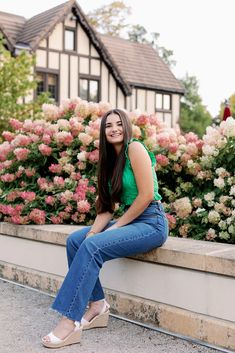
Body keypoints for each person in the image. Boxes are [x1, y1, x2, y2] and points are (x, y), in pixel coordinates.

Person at [42, 108, 168, 348]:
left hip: (152, 221)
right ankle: (97, 304)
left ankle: (69, 321)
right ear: (103, 131)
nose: (114, 129)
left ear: (126, 126)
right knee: (77, 241)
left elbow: (146, 196)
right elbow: (107, 207)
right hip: (132, 220)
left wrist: (116, 227)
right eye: (108, 126)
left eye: (118, 123)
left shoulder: (135, 149)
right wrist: (92, 232)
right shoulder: (109, 161)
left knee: (92, 246)